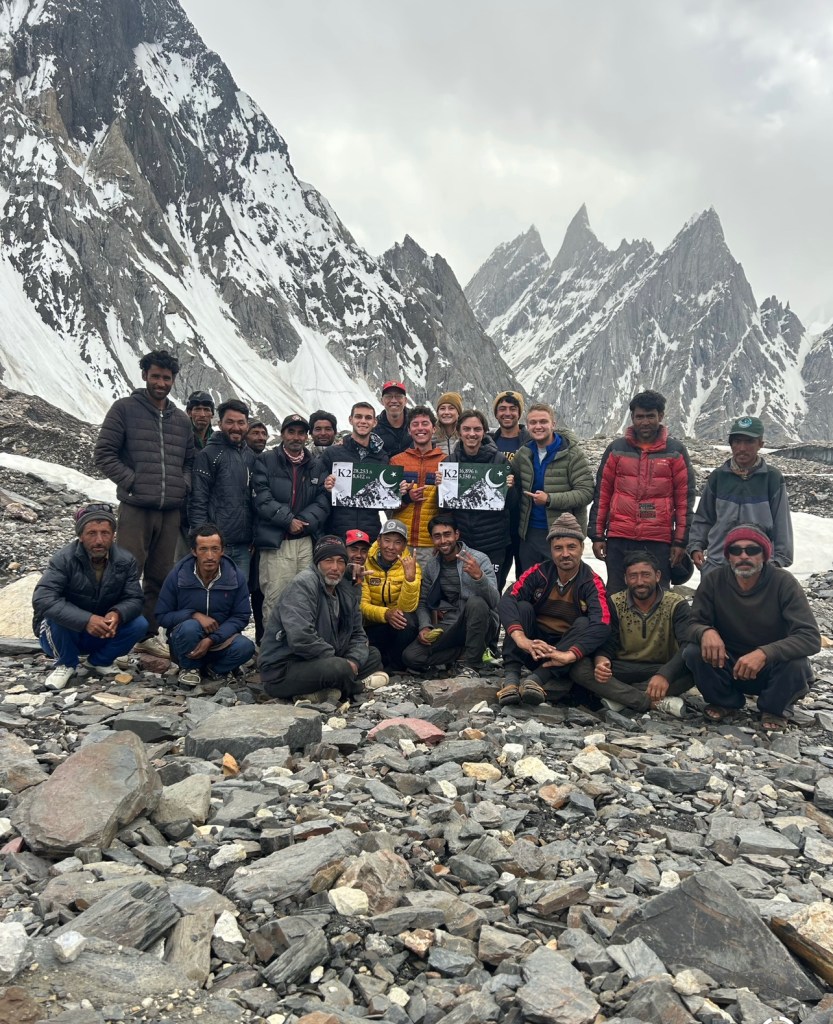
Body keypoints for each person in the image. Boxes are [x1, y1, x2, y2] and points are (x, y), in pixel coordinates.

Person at [94, 349, 194, 656]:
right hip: (136, 508)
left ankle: (148, 635)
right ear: (144, 376)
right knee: (124, 572)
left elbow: (189, 461)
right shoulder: (125, 409)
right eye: (156, 376)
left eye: (166, 377)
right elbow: (104, 454)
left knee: (160, 575)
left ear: (173, 379)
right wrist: (134, 482)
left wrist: (182, 485)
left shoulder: (181, 420)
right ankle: (114, 635)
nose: (161, 382)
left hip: (169, 511)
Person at [683, 524, 820, 730]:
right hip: (728, 665)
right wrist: (706, 631)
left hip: (771, 669)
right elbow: (692, 624)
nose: (743, 556)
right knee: (694, 652)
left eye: (752, 550)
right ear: (728, 556)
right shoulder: (714, 581)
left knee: (797, 664)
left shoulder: (784, 583)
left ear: (764, 555)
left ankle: (774, 708)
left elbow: (810, 637)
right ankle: (726, 701)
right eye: (735, 551)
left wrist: (765, 653)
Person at [498, 513, 610, 707]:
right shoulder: (538, 572)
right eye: (558, 548)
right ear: (550, 550)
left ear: (582, 548)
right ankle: (511, 678)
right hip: (533, 648)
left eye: (571, 547)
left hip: (563, 653)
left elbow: (602, 623)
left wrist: (569, 655)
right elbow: (507, 600)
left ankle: (536, 680)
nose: (565, 554)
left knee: (585, 623)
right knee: (522, 607)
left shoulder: (592, 582)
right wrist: (521, 639)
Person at [589, 389, 694, 594]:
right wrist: (597, 535)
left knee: (658, 596)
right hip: (619, 538)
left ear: (660, 416)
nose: (644, 422)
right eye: (639, 417)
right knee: (617, 595)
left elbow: (684, 501)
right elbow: (602, 495)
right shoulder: (616, 449)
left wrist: (680, 541)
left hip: (658, 540)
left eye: (650, 416)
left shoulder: (676, 452)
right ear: (632, 418)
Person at [33, 504, 148, 691]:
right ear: (80, 536)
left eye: (105, 533)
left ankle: (98, 661)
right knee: (57, 616)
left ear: (113, 535)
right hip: (63, 634)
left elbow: (134, 598)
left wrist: (117, 614)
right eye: (91, 533)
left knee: (139, 624)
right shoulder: (64, 559)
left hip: (101, 632)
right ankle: (66, 664)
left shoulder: (126, 561)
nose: (99, 540)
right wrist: (87, 620)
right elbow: (43, 598)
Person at [259, 536, 389, 701]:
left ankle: (320, 692)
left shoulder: (345, 588)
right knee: (338, 667)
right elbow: (301, 638)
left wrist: (353, 660)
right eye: (329, 561)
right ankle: (359, 686)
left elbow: (358, 634)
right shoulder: (303, 585)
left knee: (372, 655)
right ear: (318, 563)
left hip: (321, 660)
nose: (335, 568)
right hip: (284, 668)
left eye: (340, 562)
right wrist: (341, 663)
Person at [569, 550, 693, 715]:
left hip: (660, 668)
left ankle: (619, 698)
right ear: (626, 579)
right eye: (633, 576)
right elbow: (607, 643)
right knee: (580, 667)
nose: (640, 582)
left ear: (657, 576)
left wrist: (665, 675)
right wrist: (601, 662)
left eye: (645, 575)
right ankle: (647, 702)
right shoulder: (614, 602)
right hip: (621, 668)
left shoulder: (676, 604)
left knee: (696, 664)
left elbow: (687, 645)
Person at [689, 415, 793, 575]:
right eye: (737, 442)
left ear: (760, 444)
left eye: (749, 442)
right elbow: (704, 517)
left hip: (758, 565)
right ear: (731, 444)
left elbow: (781, 522)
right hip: (718, 563)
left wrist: (778, 560)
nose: (742, 448)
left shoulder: (771, 478)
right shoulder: (718, 477)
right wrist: (696, 545)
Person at [252, 413, 329, 625]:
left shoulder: (315, 465)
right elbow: (261, 497)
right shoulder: (265, 460)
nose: (296, 437)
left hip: (305, 541)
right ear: (283, 434)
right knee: (275, 600)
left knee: (305, 600)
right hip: (276, 543)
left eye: (301, 433)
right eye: (291, 432)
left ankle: (299, 652)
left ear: (307, 436)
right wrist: (288, 521)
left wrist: (303, 522)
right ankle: (273, 654)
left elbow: (323, 499)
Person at [156, 524, 255, 687]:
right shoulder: (178, 575)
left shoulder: (235, 577)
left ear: (222, 551)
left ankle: (215, 669)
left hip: (220, 640)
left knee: (245, 647)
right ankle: (189, 668)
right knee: (190, 627)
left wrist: (211, 639)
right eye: (203, 549)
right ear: (194, 551)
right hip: (186, 641)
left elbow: (241, 616)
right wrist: (193, 615)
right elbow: (162, 616)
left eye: (215, 549)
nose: (209, 556)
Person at [402, 514, 499, 679]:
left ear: (457, 535)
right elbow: (424, 601)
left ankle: (471, 664)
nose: (443, 541)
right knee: (411, 656)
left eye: (447, 534)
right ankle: (466, 653)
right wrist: (425, 626)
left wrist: (479, 577)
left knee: (475, 603)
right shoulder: (432, 566)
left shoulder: (479, 559)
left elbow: (495, 601)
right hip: (452, 624)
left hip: (481, 622)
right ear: (433, 539)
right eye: (437, 536)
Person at [513, 403, 594, 572]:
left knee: (563, 587)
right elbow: (513, 486)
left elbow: (586, 492)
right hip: (530, 534)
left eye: (543, 421)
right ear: (527, 426)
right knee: (529, 585)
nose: (538, 426)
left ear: (553, 424)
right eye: (533, 423)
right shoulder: (523, 454)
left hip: (564, 534)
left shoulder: (572, 454)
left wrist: (550, 499)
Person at [442, 409, 514, 578]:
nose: (472, 434)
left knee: (492, 589)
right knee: (463, 588)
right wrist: (441, 486)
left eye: (477, 429)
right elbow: (445, 506)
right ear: (459, 432)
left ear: (484, 432)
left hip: (493, 542)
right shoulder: (449, 462)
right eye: (467, 429)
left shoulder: (500, 461)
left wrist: (510, 488)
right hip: (463, 541)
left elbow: (511, 505)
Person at [189, 399, 255, 576]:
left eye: (241, 422)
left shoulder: (250, 456)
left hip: (243, 546)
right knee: (211, 596)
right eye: (230, 422)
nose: (236, 427)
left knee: (238, 596)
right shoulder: (209, 455)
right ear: (219, 424)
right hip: (215, 546)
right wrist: (200, 542)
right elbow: (198, 500)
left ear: (247, 425)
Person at [320, 402, 388, 542]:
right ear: (350, 419)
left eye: (368, 418)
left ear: (374, 422)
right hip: (338, 531)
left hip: (371, 532)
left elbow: (384, 498)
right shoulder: (332, 453)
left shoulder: (382, 457)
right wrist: (326, 487)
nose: (363, 421)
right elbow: (315, 490)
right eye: (358, 416)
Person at [360, 520, 421, 670]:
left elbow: (408, 608)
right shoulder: (365, 562)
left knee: (407, 620)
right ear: (379, 540)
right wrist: (385, 613)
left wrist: (410, 579)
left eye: (397, 542)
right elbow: (362, 604)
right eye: (387, 540)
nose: (391, 547)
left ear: (404, 545)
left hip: (397, 623)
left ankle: (397, 667)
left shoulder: (413, 565)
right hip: (372, 623)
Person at [390, 406, 445, 567]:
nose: (420, 428)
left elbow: (449, 508)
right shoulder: (396, 461)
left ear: (433, 429)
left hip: (430, 543)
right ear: (409, 430)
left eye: (425, 423)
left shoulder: (446, 461)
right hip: (401, 541)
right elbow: (388, 502)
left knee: (427, 589)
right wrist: (407, 498)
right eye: (415, 424)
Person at [491, 390, 530, 588]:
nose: (508, 413)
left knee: (526, 578)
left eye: (513, 409)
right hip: (498, 523)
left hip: (526, 520)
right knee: (496, 579)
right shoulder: (488, 442)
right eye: (502, 409)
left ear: (519, 413)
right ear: (496, 413)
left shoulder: (531, 441)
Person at [376, 380, 411, 457]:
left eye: (398, 396)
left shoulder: (416, 423)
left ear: (405, 401)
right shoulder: (374, 427)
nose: (394, 400)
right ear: (382, 401)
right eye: (388, 396)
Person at [433, 391, 462, 457]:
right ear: (437, 413)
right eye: (442, 408)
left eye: (451, 408)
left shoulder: (465, 435)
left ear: (458, 412)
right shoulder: (431, 436)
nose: (446, 412)